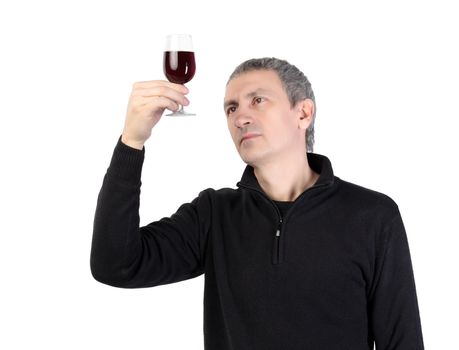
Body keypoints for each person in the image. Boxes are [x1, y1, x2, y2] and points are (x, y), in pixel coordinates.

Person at [90, 57, 425, 349]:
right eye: (231, 108)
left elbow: (402, 341)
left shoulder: (371, 215)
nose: (240, 117)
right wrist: (132, 141)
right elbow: (116, 265)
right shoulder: (214, 214)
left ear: (303, 113)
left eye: (258, 100)